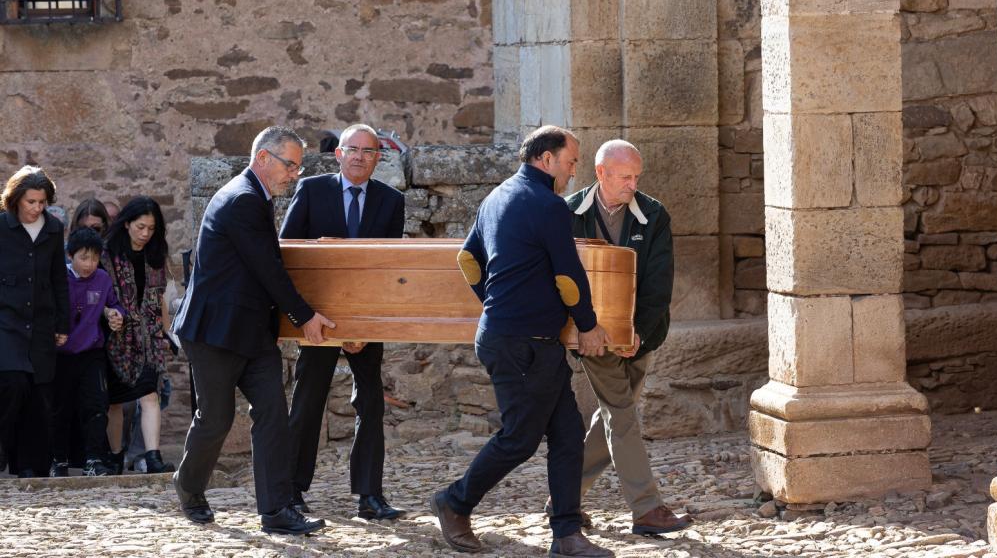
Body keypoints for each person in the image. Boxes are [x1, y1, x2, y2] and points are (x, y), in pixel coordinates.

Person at [431, 125, 614, 558]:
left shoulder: (495, 197)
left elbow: (468, 259)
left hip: (517, 339)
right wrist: (587, 326)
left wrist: (495, 304)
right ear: (545, 159)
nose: (572, 174)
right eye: (570, 163)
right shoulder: (548, 205)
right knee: (519, 438)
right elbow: (568, 277)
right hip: (523, 344)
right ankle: (453, 502)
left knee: (567, 434)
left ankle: (566, 533)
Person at [171, 125, 335, 535]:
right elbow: (269, 271)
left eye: (299, 166)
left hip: (253, 334)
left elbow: (261, 271)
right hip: (214, 333)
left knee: (273, 416)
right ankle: (189, 486)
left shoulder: (256, 195)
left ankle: (277, 510)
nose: (295, 174)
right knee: (215, 420)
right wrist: (304, 317)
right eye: (290, 165)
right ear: (263, 158)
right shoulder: (242, 199)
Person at [280, 123, 407, 520]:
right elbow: (289, 254)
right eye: (353, 149)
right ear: (339, 154)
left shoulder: (391, 201)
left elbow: (385, 269)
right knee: (307, 404)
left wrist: (363, 328)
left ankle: (370, 496)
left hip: (366, 322)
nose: (359, 157)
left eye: (369, 152)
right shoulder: (313, 191)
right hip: (317, 320)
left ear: (377, 159)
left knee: (370, 404)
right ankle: (292, 492)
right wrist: (305, 316)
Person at [564, 140, 692, 535]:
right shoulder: (567, 213)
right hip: (592, 336)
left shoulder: (654, 215)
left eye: (636, 176)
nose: (632, 184)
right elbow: (562, 277)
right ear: (601, 173)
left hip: (643, 337)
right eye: (624, 177)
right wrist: (583, 329)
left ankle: (564, 500)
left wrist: (639, 333)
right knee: (621, 414)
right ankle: (647, 508)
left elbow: (659, 283)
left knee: (612, 417)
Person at [0, 166, 70, 478]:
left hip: (41, 323)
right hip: (6, 322)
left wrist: (63, 324)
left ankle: (29, 465)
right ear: (15, 200)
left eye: (42, 202)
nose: (37, 208)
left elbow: (59, 280)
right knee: (12, 385)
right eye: (31, 202)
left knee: (39, 394)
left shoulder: (54, 229)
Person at [102, 196, 175, 475]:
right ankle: (116, 456)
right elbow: (100, 295)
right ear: (127, 224)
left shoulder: (155, 255)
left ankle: (153, 456)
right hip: (117, 338)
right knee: (116, 402)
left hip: (150, 337)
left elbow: (160, 300)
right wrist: (111, 315)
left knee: (150, 395)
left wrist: (167, 336)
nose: (145, 234)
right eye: (140, 226)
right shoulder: (108, 254)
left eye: (151, 228)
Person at [50, 228, 126, 477]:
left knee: (95, 406)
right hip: (61, 355)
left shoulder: (102, 279)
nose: (89, 264)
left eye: (94, 258)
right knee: (60, 408)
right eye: (84, 257)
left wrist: (117, 315)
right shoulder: (58, 276)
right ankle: (58, 459)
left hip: (91, 353)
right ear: (70, 255)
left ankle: (94, 459)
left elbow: (114, 304)